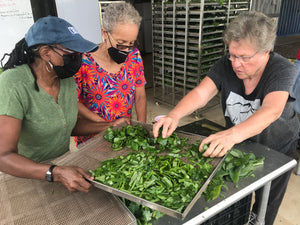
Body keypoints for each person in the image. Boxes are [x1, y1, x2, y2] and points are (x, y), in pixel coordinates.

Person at [153, 11, 299, 225]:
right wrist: (174, 115)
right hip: (240, 143)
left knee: (266, 203)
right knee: (238, 191)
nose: (236, 64)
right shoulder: (226, 64)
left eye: (244, 57)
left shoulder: (282, 69)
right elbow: (202, 93)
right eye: (232, 54)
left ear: (266, 52)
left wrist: (231, 135)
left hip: (276, 146)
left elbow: (272, 110)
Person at [0, 16, 128, 193]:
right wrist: (55, 173)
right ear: (46, 53)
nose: (79, 58)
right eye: (73, 53)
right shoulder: (12, 83)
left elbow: (67, 123)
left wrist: (107, 126)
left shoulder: (65, 78)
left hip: (63, 166)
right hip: (25, 175)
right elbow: (3, 156)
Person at [73, 2, 147, 146]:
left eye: (131, 43)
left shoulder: (134, 56)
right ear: (104, 33)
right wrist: (107, 125)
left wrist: (141, 129)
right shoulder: (83, 61)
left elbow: (140, 96)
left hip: (125, 133)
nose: (126, 50)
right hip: (93, 137)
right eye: (121, 43)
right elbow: (73, 102)